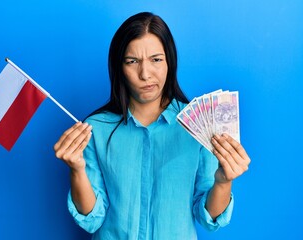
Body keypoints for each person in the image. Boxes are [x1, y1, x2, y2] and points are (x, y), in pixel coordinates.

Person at [54, 12, 250, 239]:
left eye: (156, 60)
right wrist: (77, 169)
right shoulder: (95, 129)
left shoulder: (198, 125)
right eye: (132, 62)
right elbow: (92, 218)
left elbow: (208, 217)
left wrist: (224, 181)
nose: (145, 74)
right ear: (120, 67)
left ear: (170, 61)